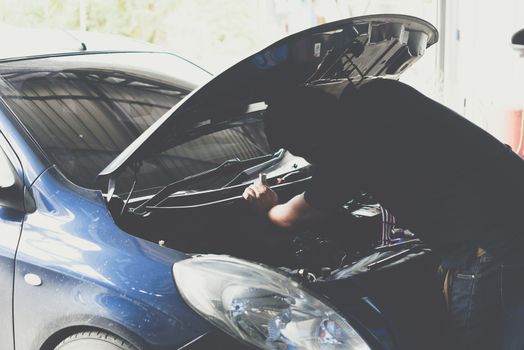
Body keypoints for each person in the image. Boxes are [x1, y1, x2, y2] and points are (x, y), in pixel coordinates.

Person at [243, 79, 524, 350]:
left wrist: (267, 208)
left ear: (311, 138)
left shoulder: (350, 141)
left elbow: (298, 215)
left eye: (302, 151)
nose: (307, 160)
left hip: (490, 248)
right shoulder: (381, 94)